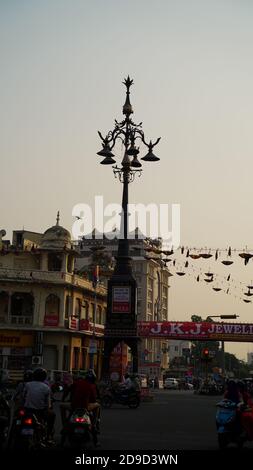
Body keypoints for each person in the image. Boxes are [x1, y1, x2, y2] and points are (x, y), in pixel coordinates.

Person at [60, 369, 100, 446]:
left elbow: (67, 391)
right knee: (97, 405)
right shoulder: (91, 386)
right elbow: (94, 399)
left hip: (73, 406)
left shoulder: (76, 383)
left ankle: (64, 423)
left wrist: (63, 399)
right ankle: (94, 425)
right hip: (85, 407)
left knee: (61, 406)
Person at [23, 368, 56, 442]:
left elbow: (23, 396)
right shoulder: (46, 387)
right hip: (39, 411)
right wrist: (48, 408)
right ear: (44, 377)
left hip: (27, 410)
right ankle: (48, 435)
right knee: (52, 415)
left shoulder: (28, 384)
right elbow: (48, 405)